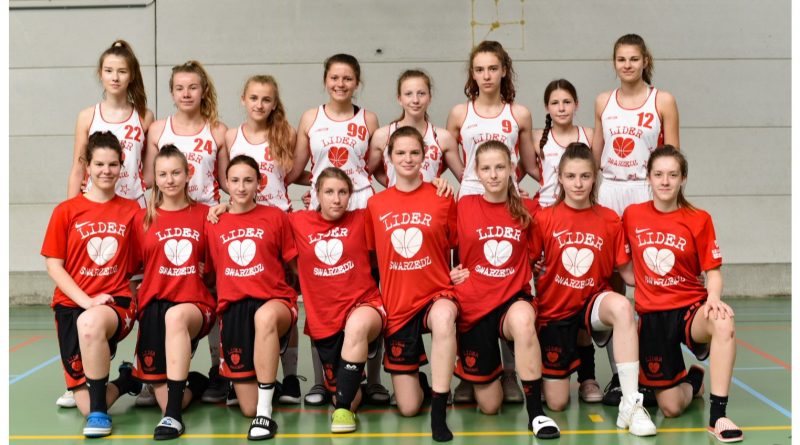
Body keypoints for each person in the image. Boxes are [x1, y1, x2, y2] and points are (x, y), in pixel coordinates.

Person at [529, 142, 657, 436]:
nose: (578, 183)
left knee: (622, 307)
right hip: (555, 310)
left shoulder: (609, 219)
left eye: (585, 176)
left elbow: (628, 273)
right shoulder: (544, 219)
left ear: (594, 178)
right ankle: (577, 374)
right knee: (557, 403)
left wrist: (675, 278)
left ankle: (631, 403)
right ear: (560, 178)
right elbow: (527, 263)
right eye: (571, 176)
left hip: (592, 304)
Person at [59, 39, 154, 409]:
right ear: (100, 74)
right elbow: (77, 167)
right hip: (95, 217)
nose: (115, 76)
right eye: (109, 70)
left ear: (132, 75)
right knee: (87, 294)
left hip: (131, 216)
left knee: (139, 296)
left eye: (122, 71)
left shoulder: (143, 116)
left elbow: (149, 173)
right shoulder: (87, 115)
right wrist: (72, 214)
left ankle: (147, 373)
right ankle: (83, 379)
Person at [623, 145, 741, 443]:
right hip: (653, 316)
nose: (665, 181)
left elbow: (713, 271)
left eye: (672, 175)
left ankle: (718, 416)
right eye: (659, 174)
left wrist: (713, 298)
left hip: (691, 309)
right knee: (671, 408)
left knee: (723, 322)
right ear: (648, 177)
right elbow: (623, 264)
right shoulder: (632, 215)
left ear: (683, 178)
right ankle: (693, 381)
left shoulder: (699, 218)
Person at [289, 53, 388, 406]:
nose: (341, 84)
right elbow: (296, 169)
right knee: (321, 294)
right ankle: (320, 382)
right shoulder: (310, 118)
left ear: (357, 82)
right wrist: (321, 187)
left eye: (347, 78)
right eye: (334, 77)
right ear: (325, 80)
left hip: (359, 206)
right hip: (323, 207)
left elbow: (374, 168)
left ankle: (374, 381)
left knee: (371, 292)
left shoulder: (368, 119)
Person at [591, 33, 680, 405]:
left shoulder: (663, 101)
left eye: (633, 58)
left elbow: (672, 157)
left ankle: (654, 370)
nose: (627, 65)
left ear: (645, 61)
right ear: (614, 63)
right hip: (610, 189)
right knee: (612, 284)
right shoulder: (603, 101)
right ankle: (620, 375)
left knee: (649, 281)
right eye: (621, 59)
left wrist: (669, 207)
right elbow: (594, 155)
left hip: (644, 192)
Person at [448, 141, 559, 439]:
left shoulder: (528, 209)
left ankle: (536, 414)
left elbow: (536, 254)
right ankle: (488, 374)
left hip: (512, 299)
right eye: (486, 168)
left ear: (512, 168)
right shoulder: (463, 206)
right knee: (490, 406)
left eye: (500, 167)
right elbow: (439, 241)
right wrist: (448, 273)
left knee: (523, 322)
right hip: (474, 304)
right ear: (476, 171)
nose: (494, 174)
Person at [446, 40, 537, 403]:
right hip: (471, 201)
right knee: (470, 286)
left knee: (507, 284)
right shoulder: (459, 113)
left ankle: (512, 373)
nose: (486, 75)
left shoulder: (519, 114)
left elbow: (528, 164)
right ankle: (469, 372)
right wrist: (458, 181)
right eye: (479, 69)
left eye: (493, 68)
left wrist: (527, 192)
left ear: (504, 71)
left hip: (506, 200)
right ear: (472, 74)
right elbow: (449, 159)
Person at [42, 131, 142, 437]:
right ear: (87, 166)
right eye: (99, 164)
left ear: (121, 166)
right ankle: (126, 380)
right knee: (83, 403)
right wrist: (86, 301)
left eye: (113, 164)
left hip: (115, 302)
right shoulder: (66, 211)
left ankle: (100, 415)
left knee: (90, 324)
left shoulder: (132, 211)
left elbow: (144, 261)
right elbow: (54, 266)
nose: (106, 171)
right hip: (73, 304)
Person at [144, 60, 230, 405]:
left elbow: (226, 181)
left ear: (203, 90)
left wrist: (229, 208)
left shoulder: (218, 131)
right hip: (169, 220)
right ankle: (154, 374)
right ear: (171, 92)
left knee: (213, 293)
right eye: (179, 88)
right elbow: (149, 178)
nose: (186, 93)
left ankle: (219, 370)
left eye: (193, 87)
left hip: (208, 220)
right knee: (160, 294)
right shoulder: (157, 130)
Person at [365, 126, 458, 442]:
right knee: (407, 407)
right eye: (401, 153)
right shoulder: (376, 205)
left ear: (425, 156)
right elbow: (371, 259)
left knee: (444, 318)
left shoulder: (442, 197)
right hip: (399, 305)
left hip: (436, 294)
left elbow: (460, 244)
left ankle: (439, 412)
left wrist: (461, 273)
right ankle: (420, 384)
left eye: (414, 152)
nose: (408, 158)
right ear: (389, 158)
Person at [205, 155, 298, 440]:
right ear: (226, 183)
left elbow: (294, 265)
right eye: (235, 181)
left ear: (260, 182)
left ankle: (265, 414)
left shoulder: (276, 217)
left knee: (265, 317)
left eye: (248, 180)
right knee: (247, 407)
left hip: (273, 302)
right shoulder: (214, 222)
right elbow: (210, 272)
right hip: (234, 309)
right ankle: (265, 384)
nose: (241, 187)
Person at [288, 167, 386, 433]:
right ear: (317, 194)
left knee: (357, 326)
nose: (336, 199)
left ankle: (342, 412)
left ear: (350, 195)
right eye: (329, 192)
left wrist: (438, 185)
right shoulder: (298, 221)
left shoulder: (362, 218)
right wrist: (225, 207)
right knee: (349, 394)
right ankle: (349, 387)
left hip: (364, 305)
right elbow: (259, 220)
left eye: (343, 192)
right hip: (326, 318)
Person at [226, 74, 303, 404]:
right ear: (243, 99)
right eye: (254, 98)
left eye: (266, 99)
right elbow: (226, 179)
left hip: (278, 221)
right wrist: (225, 207)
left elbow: (295, 174)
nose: (259, 104)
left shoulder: (286, 133)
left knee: (285, 297)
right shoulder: (231, 136)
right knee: (240, 300)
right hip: (244, 224)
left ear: (275, 104)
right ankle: (235, 374)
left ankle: (291, 378)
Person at [129, 146, 214, 439]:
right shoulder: (143, 219)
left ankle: (173, 419)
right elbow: (132, 271)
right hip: (155, 306)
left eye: (176, 172)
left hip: (194, 304)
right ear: (154, 178)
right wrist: (136, 304)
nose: (170, 180)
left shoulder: (207, 215)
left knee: (176, 317)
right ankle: (196, 384)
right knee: (163, 398)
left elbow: (220, 264)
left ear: (188, 174)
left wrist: (207, 270)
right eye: (163, 174)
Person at [532, 79, 603, 403]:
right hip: (549, 220)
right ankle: (542, 367)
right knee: (549, 301)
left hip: (581, 217)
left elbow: (595, 170)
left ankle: (588, 376)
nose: (561, 107)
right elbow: (528, 169)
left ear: (576, 104)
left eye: (567, 101)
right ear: (547, 107)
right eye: (555, 102)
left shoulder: (588, 135)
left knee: (582, 293)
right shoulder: (538, 138)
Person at [367, 69, 463, 186]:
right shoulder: (382, 135)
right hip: (395, 198)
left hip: (430, 198)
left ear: (429, 98)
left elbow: (464, 178)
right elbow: (367, 173)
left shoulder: (443, 137)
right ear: (399, 99)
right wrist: (394, 187)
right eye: (408, 94)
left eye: (421, 93)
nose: (415, 100)